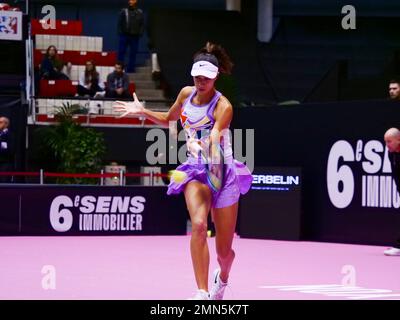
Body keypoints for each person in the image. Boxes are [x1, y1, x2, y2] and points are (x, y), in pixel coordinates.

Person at [113, 42, 253, 299]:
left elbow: (214, 137)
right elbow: (169, 118)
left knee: (225, 252)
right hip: (196, 172)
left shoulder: (224, 107)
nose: (201, 81)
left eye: (206, 78)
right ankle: (201, 292)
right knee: (199, 226)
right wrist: (142, 111)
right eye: (197, 76)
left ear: (215, 77)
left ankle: (222, 279)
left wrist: (199, 143)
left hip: (222, 172)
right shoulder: (185, 94)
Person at [383, 128, 400, 256]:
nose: (387, 145)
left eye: (389, 141)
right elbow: (396, 174)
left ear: (399, 140)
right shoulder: (391, 153)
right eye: (385, 142)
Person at [117, 0, 145, 73]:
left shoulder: (140, 12)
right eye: (129, 1)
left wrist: (140, 33)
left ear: (135, 1)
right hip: (124, 35)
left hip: (135, 36)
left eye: (132, 0)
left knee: (133, 53)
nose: (130, 2)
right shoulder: (124, 11)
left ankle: (131, 69)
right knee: (121, 52)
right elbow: (119, 22)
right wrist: (120, 33)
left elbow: (142, 24)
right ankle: (119, 69)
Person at [0, 117, 12, 183]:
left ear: (6, 124)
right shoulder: (1, 134)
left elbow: (8, 148)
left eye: (0, 122)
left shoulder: (9, 134)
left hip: (5, 164)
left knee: (4, 183)